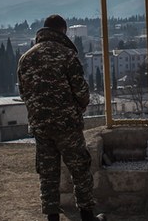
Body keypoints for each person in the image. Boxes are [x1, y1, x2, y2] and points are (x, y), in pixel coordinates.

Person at [17, 14, 104, 221]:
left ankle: (52, 217)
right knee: (79, 169)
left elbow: (24, 93)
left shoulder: (26, 58)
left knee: (48, 174)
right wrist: (78, 107)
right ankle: (87, 216)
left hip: (41, 126)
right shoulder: (67, 55)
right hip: (67, 125)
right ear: (63, 31)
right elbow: (81, 91)